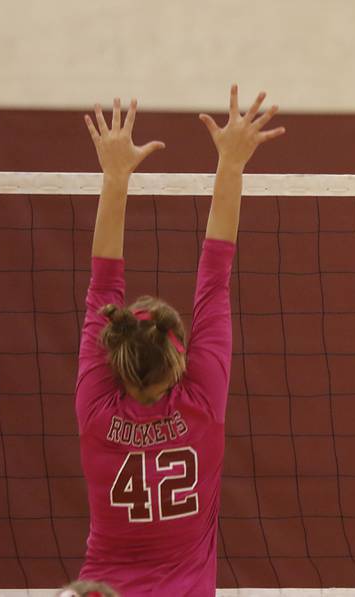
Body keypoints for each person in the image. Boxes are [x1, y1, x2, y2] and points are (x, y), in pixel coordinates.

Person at [76, 85, 285, 595]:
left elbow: (103, 282)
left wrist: (115, 176)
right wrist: (232, 163)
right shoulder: (201, 402)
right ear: (181, 360)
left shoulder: (97, 409)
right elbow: (215, 275)